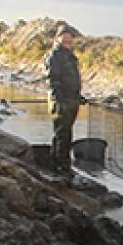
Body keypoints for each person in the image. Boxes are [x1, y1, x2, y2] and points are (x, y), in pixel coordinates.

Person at [44, 25, 82, 173]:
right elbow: (53, 80)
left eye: (69, 35)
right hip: (60, 100)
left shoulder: (70, 55)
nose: (67, 38)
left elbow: (72, 78)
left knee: (66, 132)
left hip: (72, 99)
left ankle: (61, 163)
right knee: (61, 133)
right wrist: (59, 100)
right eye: (64, 35)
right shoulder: (55, 55)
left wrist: (79, 96)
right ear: (58, 38)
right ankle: (60, 165)